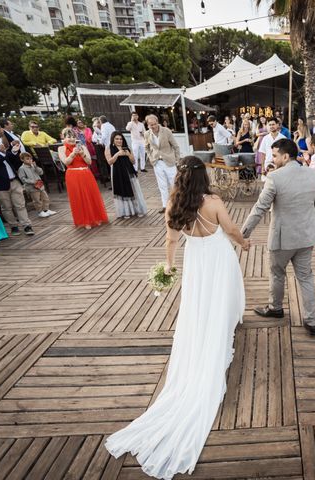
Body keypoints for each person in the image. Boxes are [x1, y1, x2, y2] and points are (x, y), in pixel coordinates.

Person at [106, 155, 249, 477]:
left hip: (196, 263)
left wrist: (169, 268)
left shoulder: (173, 205)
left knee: (199, 302)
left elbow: (170, 240)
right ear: (203, 177)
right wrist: (244, 242)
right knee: (221, 297)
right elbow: (231, 229)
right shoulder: (212, 201)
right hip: (217, 258)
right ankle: (221, 330)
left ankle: (205, 332)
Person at [242, 138, 315, 335]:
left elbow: (259, 208)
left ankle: (276, 308)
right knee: (306, 277)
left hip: (282, 238)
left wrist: (242, 233)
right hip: (306, 235)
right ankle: (311, 320)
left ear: (286, 156)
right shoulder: (313, 175)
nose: (273, 159)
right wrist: (314, 227)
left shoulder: (275, 177)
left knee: (277, 273)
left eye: (275, 155)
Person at [58, 128, 108, 229]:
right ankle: (85, 220)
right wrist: (73, 154)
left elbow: (89, 162)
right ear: (64, 137)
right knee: (78, 197)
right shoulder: (61, 149)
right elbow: (66, 162)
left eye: (73, 136)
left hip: (85, 173)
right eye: (69, 137)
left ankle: (95, 218)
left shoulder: (82, 146)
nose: (71, 139)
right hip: (73, 175)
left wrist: (82, 154)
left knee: (90, 195)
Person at [106, 132, 148, 219]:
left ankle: (137, 210)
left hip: (129, 172)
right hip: (118, 173)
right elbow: (110, 162)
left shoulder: (127, 148)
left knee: (134, 190)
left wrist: (128, 154)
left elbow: (133, 161)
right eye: (117, 139)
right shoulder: (108, 148)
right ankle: (126, 212)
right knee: (122, 190)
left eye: (120, 139)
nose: (119, 141)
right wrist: (117, 154)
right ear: (113, 140)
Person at [145, 114, 179, 214]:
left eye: (154, 124)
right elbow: (146, 147)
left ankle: (176, 204)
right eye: (151, 125)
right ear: (148, 125)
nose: (153, 126)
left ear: (157, 122)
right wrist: (151, 158)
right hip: (157, 162)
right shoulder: (147, 134)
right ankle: (165, 206)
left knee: (174, 184)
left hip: (169, 161)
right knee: (162, 185)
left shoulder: (166, 131)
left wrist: (177, 160)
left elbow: (175, 146)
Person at [17, 152, 56, 218]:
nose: (30, 160)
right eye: (27, 159)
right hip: (32, 187)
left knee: (45, 198)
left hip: (40, 185)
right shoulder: (22, 168)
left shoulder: (33, 166)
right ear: (22, 160)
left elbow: (41, 172)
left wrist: (36, 167)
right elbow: (23, 179)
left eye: (30, 158)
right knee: (37, 200)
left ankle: (46, 210)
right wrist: (32, 182)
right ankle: (40, 212)